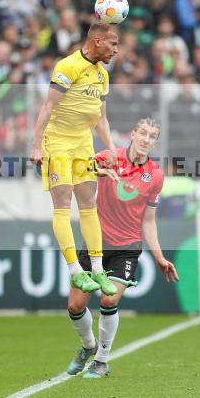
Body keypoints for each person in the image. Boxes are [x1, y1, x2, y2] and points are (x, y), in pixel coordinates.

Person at [65, 118, 178, 378]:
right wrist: (96, 172)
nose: (146, 139)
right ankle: (88, 347)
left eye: (152, 136)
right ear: (133, 134)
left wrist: (159, 257)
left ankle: (102, 361)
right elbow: (76, 171)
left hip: (127, 247)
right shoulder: (108, 157)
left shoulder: (155, 176)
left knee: (108, 298)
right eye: (143, 133)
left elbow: (148, 221)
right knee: (74, 307)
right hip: (95, 244)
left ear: (155, 143)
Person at [29, 22, 120, 298]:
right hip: (57, 140)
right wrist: (36, 146)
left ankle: (96, 269)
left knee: (89, 204)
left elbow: (100, 118)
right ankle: (74, 271)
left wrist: (112, 147)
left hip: (83, 142)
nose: (116, 50)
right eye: (113, 44)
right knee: (63, 204)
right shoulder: (67, 66)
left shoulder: (102, 75)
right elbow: (47, 107)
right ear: (97, 41)